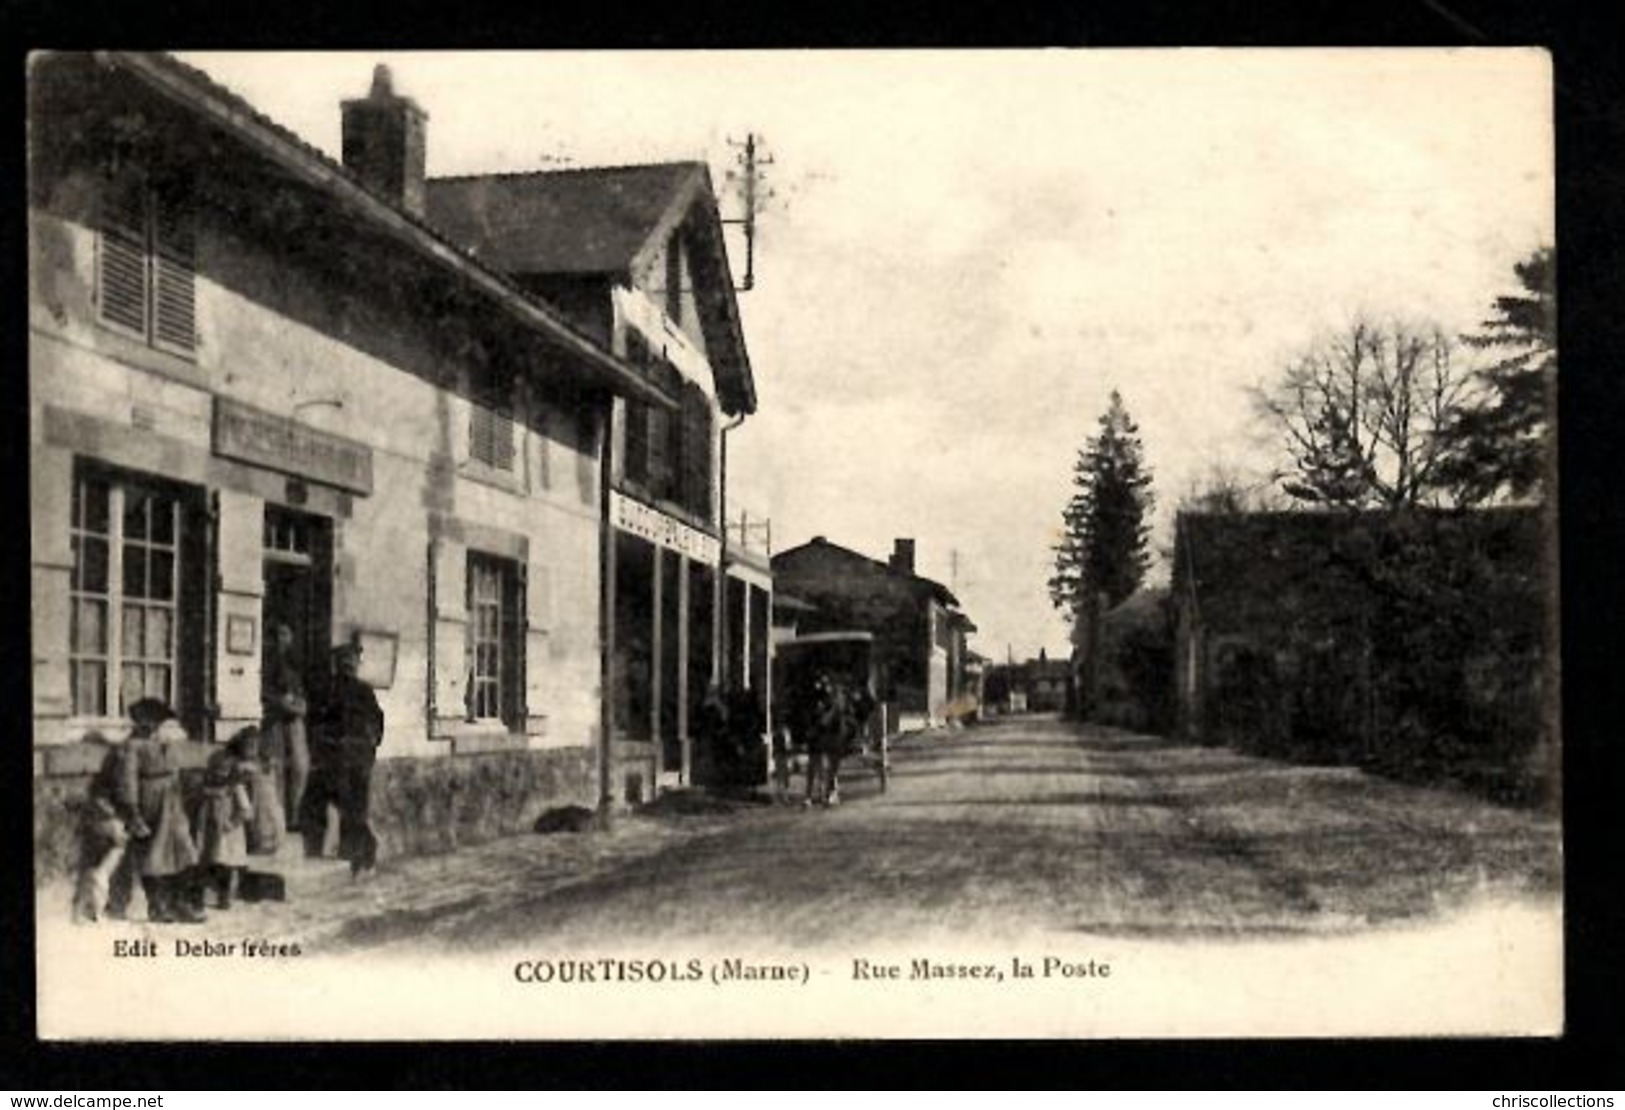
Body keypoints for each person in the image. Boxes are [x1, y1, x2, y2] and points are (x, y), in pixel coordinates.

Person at [111, 698, 204, 923]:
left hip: (172, 804)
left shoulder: (165, 742)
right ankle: (157, 906)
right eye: (147, 721)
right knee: (153, 856)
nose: (152, 726)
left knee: (184, 852)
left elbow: (177, 771)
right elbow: (128, 781)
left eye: (157, 721)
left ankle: (181, 903)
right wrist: (133, 812)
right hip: (149, 802)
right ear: (138, 721)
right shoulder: (131, 746)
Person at [305, 642, 384, 876]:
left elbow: (377, 722)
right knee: (346, 805)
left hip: (358, 758)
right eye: (343, 663)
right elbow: (318, 722)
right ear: (337, 665)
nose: (347, 667)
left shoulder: (365, 691)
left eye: (351, 662)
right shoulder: (328, 690)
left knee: (355, 807)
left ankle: (357, 854)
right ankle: (360, 851)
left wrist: (370, 745)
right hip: (336, 756)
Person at [194, 726, 256, 909]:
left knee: (225, 865)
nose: (219, 775)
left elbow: (246, 810)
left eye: (223, 772)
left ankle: (224, 896)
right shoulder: (210, 792)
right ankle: (205, 894)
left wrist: (232, 823)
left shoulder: (234, 789)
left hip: (228, 833)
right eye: (215, 772)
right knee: (208, 861)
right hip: (210, 829)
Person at [70, 733, 129, 923]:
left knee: (89, 866)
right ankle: (96, 910)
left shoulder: (97, 772)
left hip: (93, 821)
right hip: (108, 821)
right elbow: (117, 796)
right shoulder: (116, 765)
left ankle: (80, 910)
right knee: (107, 864)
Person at [262, 622, 310, 831]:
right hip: (274, 722)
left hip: (294, 722)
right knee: (277, 769)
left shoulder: (294, 664)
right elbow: (261, 691)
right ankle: (278, 817)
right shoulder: (264, 663)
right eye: (278, 635)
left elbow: (301, 693)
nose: (282, 640)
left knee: (300, 768)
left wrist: (300, 704)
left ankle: (295, 815)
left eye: (286, 634)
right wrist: (278, 701)